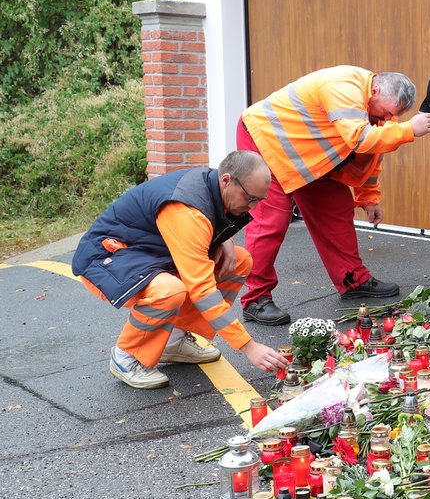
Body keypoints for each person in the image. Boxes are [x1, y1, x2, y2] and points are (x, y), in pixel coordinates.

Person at [235, 66, 430, 326]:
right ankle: (255, 299)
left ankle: (352, 280)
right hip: (265, 139)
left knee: (335, 206)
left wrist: (369, 198)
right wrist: (409, 130)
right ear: (375, 90)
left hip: (305, 154)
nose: (389, 119)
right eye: (387, 112)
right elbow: (361, 140)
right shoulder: (343, 86)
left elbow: (372, 156)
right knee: (271, 220)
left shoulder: (378, 108)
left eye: (394, 116)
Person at [72, 151, 290, 389]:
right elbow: (202, 290)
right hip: (108, 256)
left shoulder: (213, 188)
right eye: (250, 198)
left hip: (148, 253)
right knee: (169, 290)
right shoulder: (187, 211)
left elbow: (207, 221)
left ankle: (173, 341)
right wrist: (249, 346)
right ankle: (127, 356)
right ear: (226, 180)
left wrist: (223, 239)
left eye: (259, 200)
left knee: (238, 260)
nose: (254, 207)